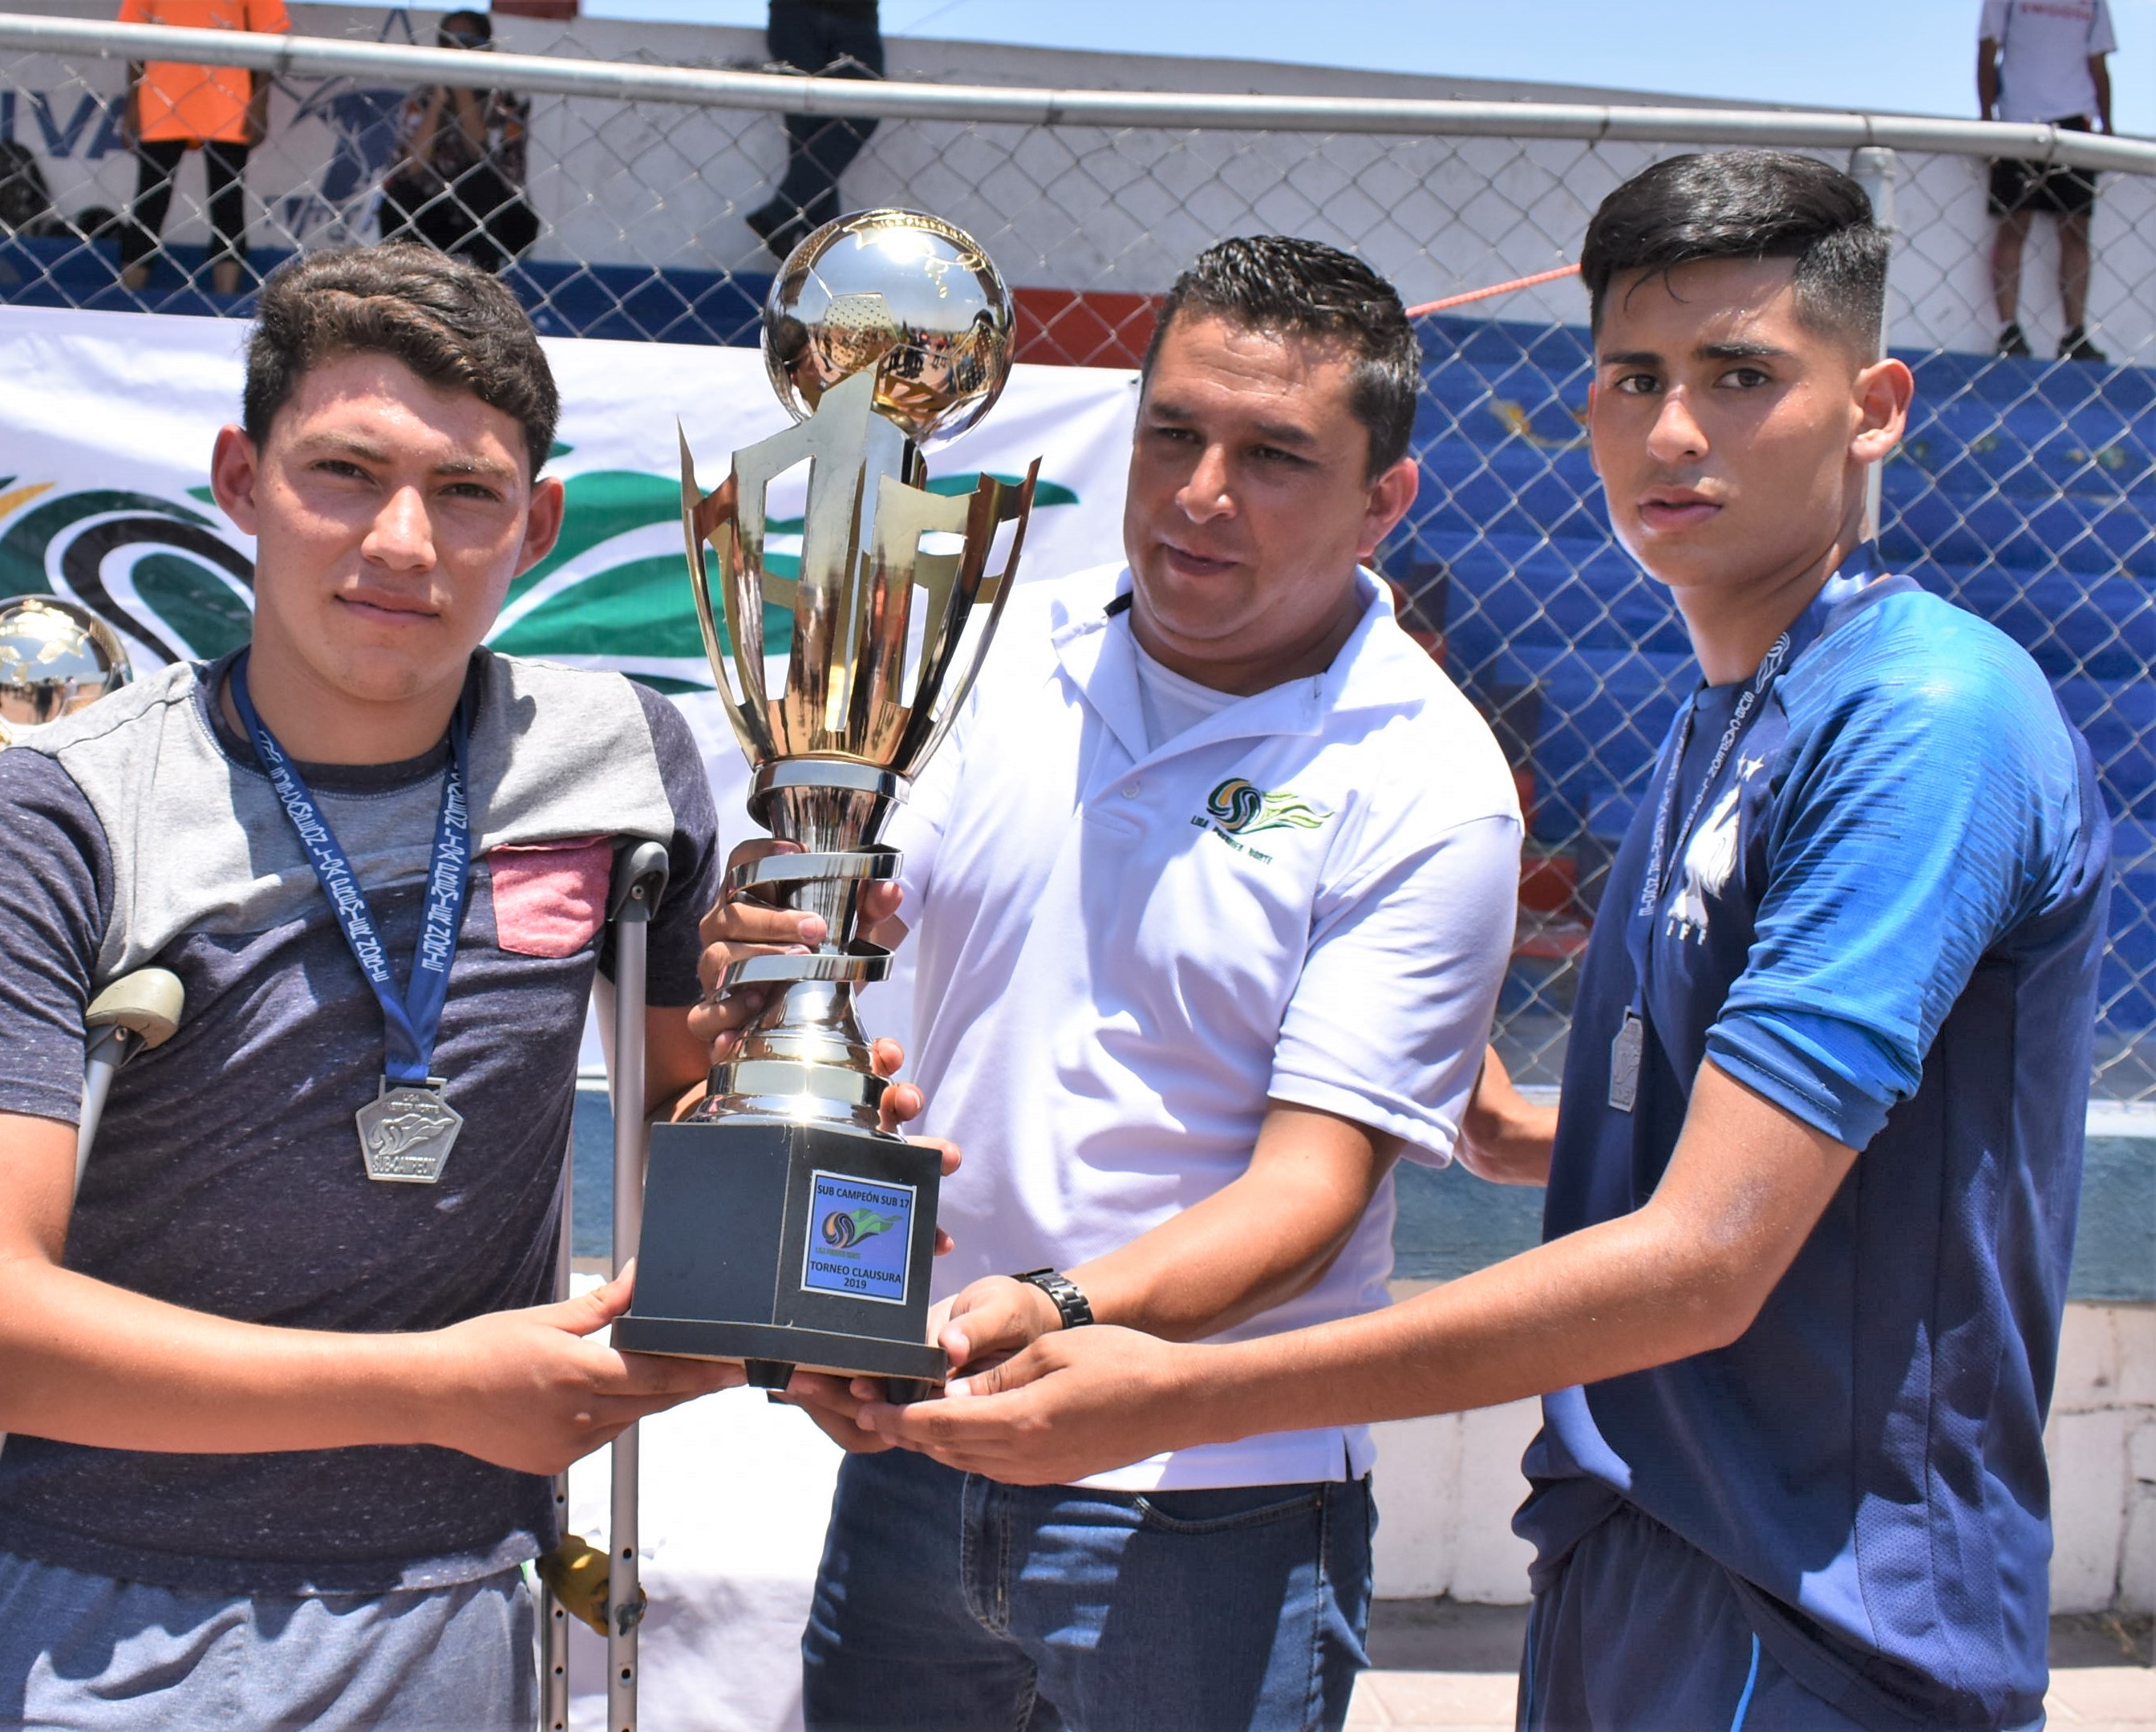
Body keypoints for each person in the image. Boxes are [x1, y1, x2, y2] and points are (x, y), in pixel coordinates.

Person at [866, 151, 2111, 1732]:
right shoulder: (1716, 724)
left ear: (1874, 407)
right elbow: (1650, 1132)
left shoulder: (1925, 720)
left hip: (1828, 1600)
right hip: (1634, 1541)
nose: (1672, 430)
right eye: (1633, 376)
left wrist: (1172, 1383)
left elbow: (1709, 1259)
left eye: (1741, 376)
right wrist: (1471, 1106)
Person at [0, 244, 824, 1728]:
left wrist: (801, 1067)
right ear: (240, 480)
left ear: (537, 521)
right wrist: (431, 1386)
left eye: (465, 492)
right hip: (90, 1615)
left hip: (456, 1604)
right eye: (343, 472)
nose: (399, 541)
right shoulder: (61, 812)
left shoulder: (621, 761)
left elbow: (685, 1105)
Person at [707, 236, 1524, 1731]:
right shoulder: (980, 648)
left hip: (1209, 1501)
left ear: (1382, 499)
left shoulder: (1425, 779)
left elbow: (1310, 1187)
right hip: (919, 1446)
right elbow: (842, 1001)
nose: (1203, 490)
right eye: (1174, 432)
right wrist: (767, 960)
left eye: (1275, 453)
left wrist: (1052, 1303)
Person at [116, 0, 290, 296]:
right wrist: (133, 100)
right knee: (150, 201)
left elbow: (269, 38)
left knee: (227, 204)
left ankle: (225, 302)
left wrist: (260, 101)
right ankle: (127, 300)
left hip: (228, 99)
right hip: (162, 96)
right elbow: (134, 37)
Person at [1980, 0, 2118, 361]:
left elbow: (2098, 62)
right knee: (2014, 224)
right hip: (2018, 121)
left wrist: (2108, 126)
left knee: (2076, 229)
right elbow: (1987, 48)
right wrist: (1986, 123)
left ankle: (2075, 333)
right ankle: (2008, 331)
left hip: (2076, 124)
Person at [377, 9, 540, 274]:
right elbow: (413, 167)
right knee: (399, 196)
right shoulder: (422, 97)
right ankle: (400, 279)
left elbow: (481, 156)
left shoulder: (506, 101)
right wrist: (438, 102)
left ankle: (488, 282)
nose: (455, 49)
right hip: (437, 214)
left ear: (486, 49)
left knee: (476, 182)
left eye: (466, 42)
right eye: (447, 42)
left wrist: (462, 88)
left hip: (499, 216)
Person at [743, 0, 884, 261]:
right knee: (807, 129)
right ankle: (822, 247)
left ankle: (787, 221)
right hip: (796, 12)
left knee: (861, 111)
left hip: (856, 18)